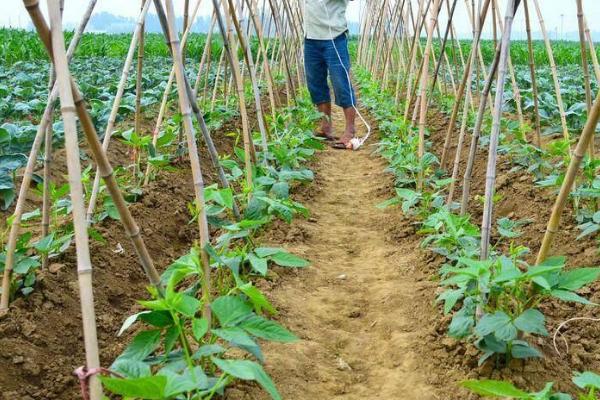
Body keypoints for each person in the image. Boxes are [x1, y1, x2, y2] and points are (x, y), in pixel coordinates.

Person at [304, 0, 356, 150]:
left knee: (341, 83)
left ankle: (350, 130)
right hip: (311, 38)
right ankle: (326, 127)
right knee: (316, 84)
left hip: (335, 37)